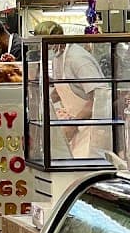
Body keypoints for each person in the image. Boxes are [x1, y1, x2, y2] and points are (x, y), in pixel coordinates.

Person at [34, 21, 112, 159]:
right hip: (77, 124)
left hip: (92, 127)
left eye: (46, 44)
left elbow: (99, 98)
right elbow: (62, 89)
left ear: (56, 40)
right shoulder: (58, 57)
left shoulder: (78, 59)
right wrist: (41, 103)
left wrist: (73, 125)